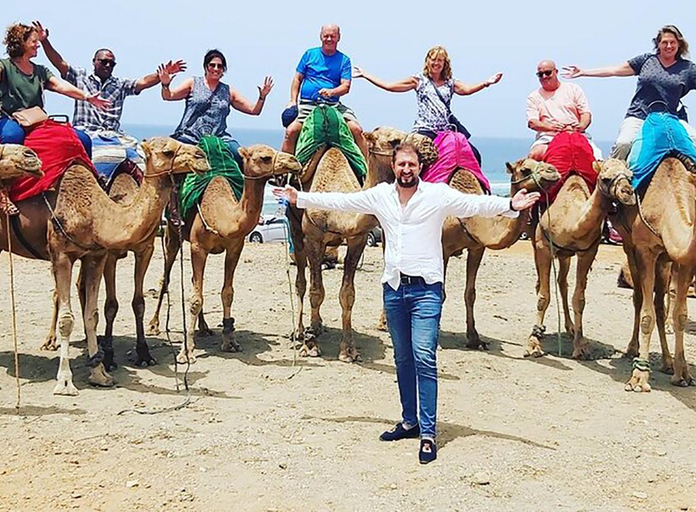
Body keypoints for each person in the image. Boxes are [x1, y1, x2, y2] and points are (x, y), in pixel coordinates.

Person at [274, 139, 539, 464]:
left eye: (411, 164)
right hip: (394, 290)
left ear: (420, 167)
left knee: (424, 358)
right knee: (402, 359)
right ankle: (409, 421)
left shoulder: (438, 196)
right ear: (393, 166)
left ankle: (428, 432)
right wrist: (298, 197)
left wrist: (511, 205)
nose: (406, 169)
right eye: (401, 164)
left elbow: (476, 206)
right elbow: (342, 200)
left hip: (426, 291)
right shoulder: (380, 196)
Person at [0, 22, 110, 157]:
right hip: (10, 118)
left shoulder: (40, 70)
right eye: (34, 41)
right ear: (22, 43)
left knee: (83, 139)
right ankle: (8, 186)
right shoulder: (5, 65)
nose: (38, 45)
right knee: (13, 137)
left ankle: (92, 178)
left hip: (36, 120)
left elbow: (60, 85)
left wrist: (86, 97)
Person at [563, 25, 696, 160]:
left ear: (679, 44)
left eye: (672, 42)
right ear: (658, 44)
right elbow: (614, 70)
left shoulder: (688, 69)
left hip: (671, 118)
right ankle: (612, 176)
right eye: (664, 42)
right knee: (624, 143)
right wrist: (585, 72)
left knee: (693, 139)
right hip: (639, 115)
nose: (669, 46)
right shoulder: (646, 60)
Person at [353, 45, 502, 164]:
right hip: (423, 130)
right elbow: (390, 86)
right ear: (427, 61)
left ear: (445, 64)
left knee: (474, 153)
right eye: (433, 59)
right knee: (409, 159)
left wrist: (486, 83)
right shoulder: (418, 80)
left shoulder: (450, 83)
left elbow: (467, 89)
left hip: (445, 131)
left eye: (440, 60)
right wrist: (367, 75)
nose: (436, 63)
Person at [34, 20, 181, 141]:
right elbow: (59, 62)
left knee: (140, 160)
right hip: (85, 133)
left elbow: (143, 82)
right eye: (104, 62)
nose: (108, 65)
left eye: (112, 63)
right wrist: (44, 41)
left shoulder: (120, 85)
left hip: (112, 136)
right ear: (94, 61)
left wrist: (162, 75)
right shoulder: (80, 77)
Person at [159, 49, 272, 167]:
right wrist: (165, 85)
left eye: (220, 66)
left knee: (241, 157)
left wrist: (262, 97)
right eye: (212, 65)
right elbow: (168, 96)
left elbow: (254, 110)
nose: (216, 69)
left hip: (219, 138)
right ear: (206, 67)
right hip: (190, 137)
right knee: (169, 158)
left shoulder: (228, 91)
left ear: (223, 70)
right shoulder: (192, 83)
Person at [281, 24, 368, 158]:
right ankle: (284, 172)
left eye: (332, 36)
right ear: (320, 36)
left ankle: (365, 170)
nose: (329, 39)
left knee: (357, 130)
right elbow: (297, 79)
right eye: (326, 36)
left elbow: (346, 86)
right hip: (308, 105)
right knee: (291, 131)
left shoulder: (344, 60)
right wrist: (293, 101)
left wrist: (331, 92)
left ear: (338, 38)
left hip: (333, 105)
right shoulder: (309, 54)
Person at [526, 60, 602, 160]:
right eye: (540, 74)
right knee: (534, 155)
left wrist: (581, 126)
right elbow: (533, 123)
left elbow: (585, 114)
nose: (544, 76)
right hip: (549, 138)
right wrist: (551, 127)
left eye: (548, 73)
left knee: (596, 158)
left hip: (576, 135)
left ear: (556, 72)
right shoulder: (534, 97)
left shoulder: (573, 89)